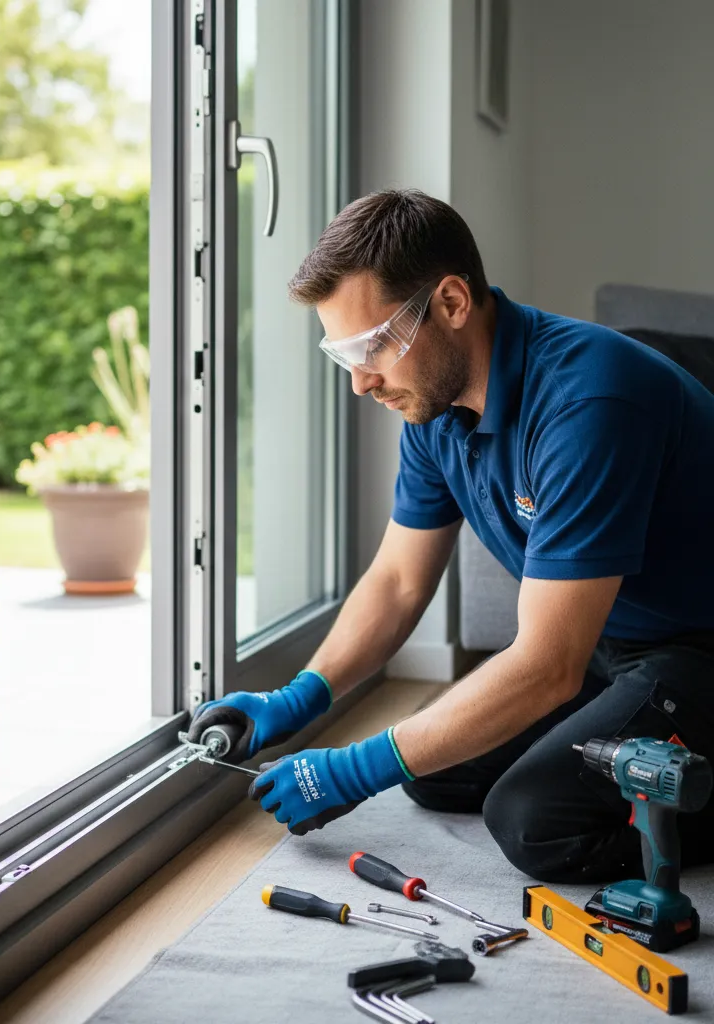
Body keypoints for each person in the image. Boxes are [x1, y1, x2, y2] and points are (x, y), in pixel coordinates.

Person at [187, 188, 714, 884]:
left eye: (373, 345)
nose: (360, 381)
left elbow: (548, 666)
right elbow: (399, 581)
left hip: (698, 649)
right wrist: (298, 698)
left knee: (535, 818)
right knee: (437, 772)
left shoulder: (590, 402)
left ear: (453, 303)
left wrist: (354, 767)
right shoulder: (433, 406)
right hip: (613, 640)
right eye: (341, 353)